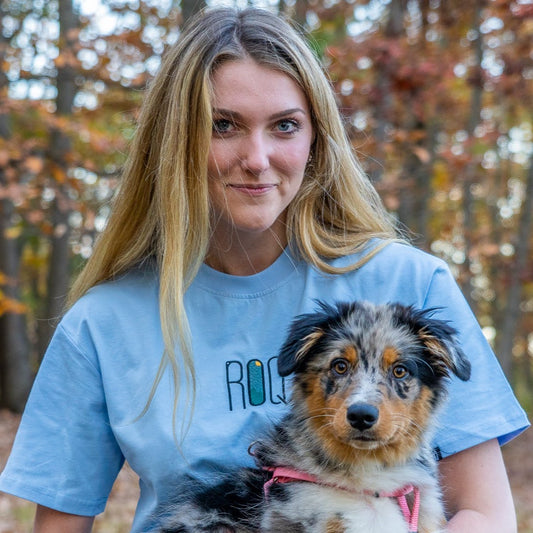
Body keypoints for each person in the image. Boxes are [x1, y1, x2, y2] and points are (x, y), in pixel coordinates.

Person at [0, 7, 528, 533]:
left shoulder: (410, 285)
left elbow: (485, 515)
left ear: (316, 139)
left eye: (285, 126)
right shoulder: (102, 323)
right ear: (175, 140)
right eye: (223, 125)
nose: (257, 158)